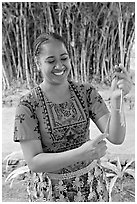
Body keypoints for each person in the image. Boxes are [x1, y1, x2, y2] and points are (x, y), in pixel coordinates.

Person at [14, 32, 132, 202]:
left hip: (92, 187)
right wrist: (81, 154)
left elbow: (116, 137)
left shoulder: (86, 92)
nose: (60, 65)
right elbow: (34, 162)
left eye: (64, 58)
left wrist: (117, 100)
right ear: (37, 63)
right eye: (51, 61)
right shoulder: (28, 105)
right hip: (51, 193)